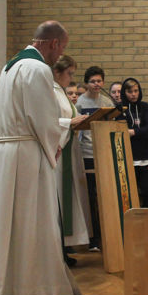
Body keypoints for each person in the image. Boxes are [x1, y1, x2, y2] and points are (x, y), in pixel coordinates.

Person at [0, 21, 98, 295]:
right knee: (41, 228)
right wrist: (56, 143)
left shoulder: (9, 67)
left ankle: (8, 292)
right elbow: (42, 118)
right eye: (62, 48)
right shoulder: (37, 69)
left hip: (7, 153)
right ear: (53, 43)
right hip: (28, 156)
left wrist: (54, 131)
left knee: (10, 228)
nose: (60, 55)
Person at [52, 56, 91, 264]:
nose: (71, 78)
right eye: (69, 73)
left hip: (70, 149)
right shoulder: (50, 91)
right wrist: (70, 122)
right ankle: (56, 250)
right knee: (58, 199)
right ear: (57, 72)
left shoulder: (61, 93)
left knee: (69, 199)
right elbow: (45, 121)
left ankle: (64, 247)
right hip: (58, 154)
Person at [76, 65, 114, 252]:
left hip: (104, 151)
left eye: (99, 81)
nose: (96, 84)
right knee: (91, 196)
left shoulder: (107, 101)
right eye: (92, 81)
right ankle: (93, 238)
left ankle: (109, 235)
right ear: (86, 83)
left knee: (105, 195)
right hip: (87, 153)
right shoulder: (80, 102)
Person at [119, 77, 148, 208]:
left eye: (136, 91)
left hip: (145, 158)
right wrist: (141, 131)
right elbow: (120, 131)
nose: (133, 94)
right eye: (130, 92)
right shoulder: (119, 109)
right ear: (124, 93)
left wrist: (133, 132)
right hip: (127, 159)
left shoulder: (145, 107)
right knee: (130, 196)